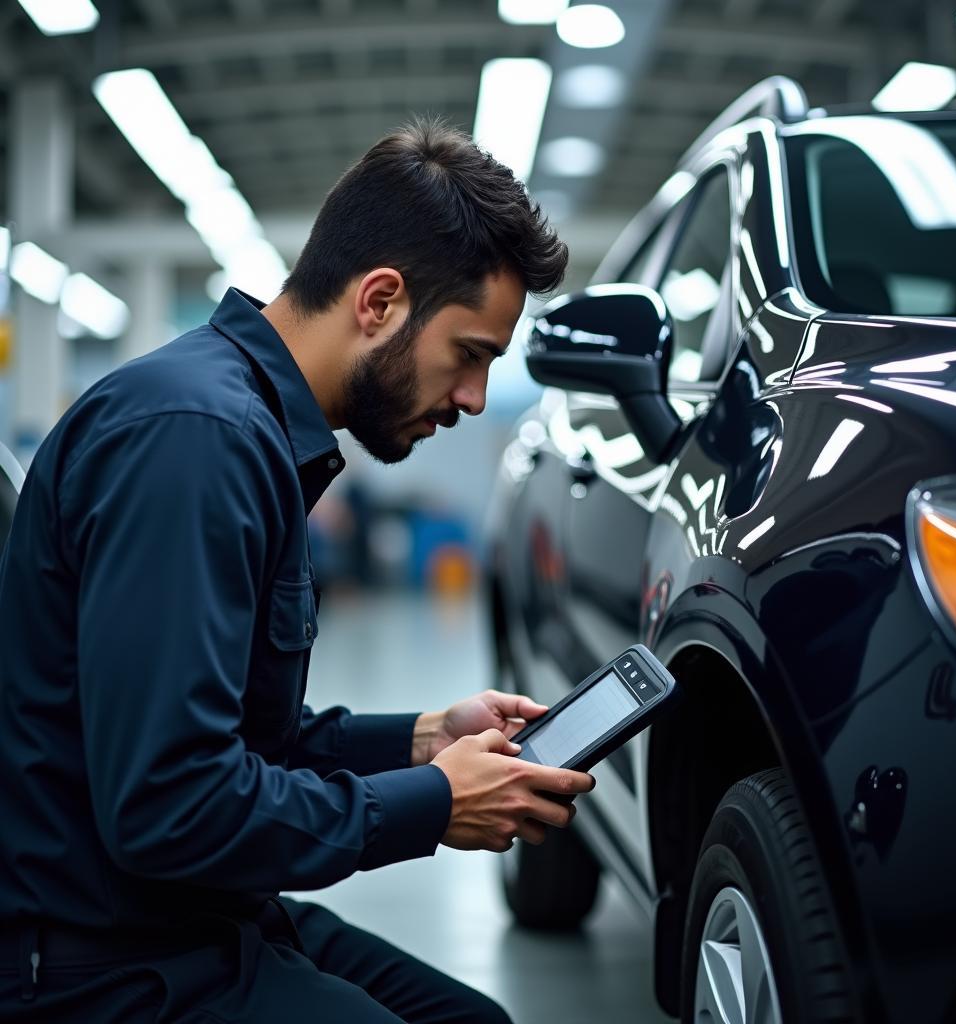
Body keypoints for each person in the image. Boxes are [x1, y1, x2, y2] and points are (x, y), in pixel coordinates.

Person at [0, 119, 593, 1022]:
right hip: (102, 966)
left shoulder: (249, 432)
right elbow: (171, 804)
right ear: (380, 301)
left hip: (197, 919)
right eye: (469, 355)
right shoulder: (196, 443)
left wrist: (422, 739)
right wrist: (431, 806)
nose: (475, 400)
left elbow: (235, 736)